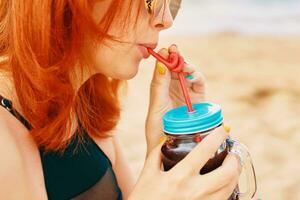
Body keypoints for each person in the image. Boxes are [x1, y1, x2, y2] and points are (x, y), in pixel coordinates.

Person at [0, 0, 242, 199]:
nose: (165, 20)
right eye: (151, 1)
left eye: (173, 3)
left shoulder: (86, 102)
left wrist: (168, 151)